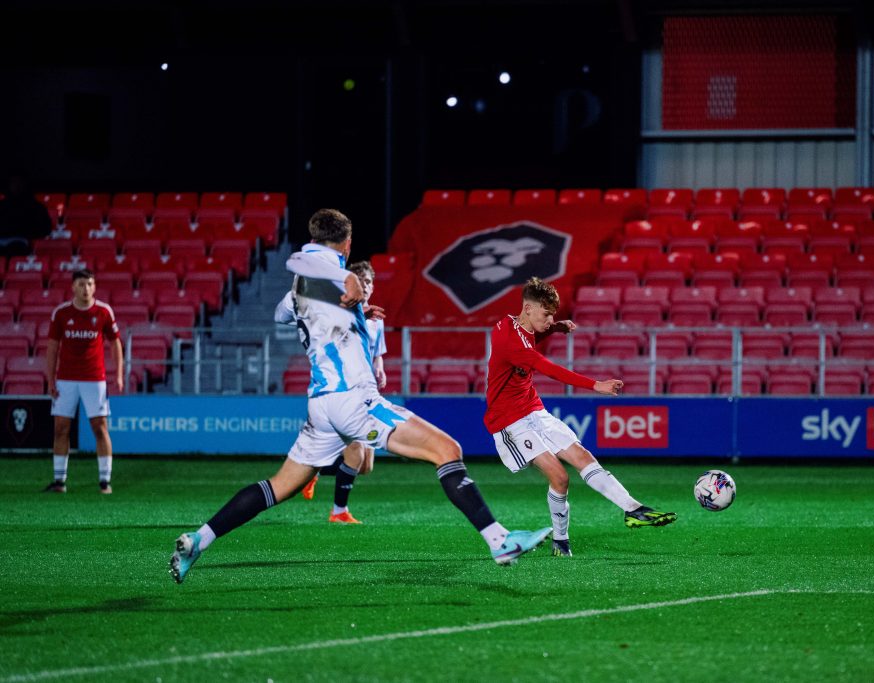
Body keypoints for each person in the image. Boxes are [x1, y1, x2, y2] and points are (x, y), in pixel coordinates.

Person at [169, 209, 550, 583]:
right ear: (347, 244)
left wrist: (347, 309)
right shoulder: (329, 271)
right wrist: (344, 278)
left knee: (281, 484)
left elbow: (282, 313)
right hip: (353, 398)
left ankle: (199, 540)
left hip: (321, 405)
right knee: (446, 450)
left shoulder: (306, 287)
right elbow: (296, 259)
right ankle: (499, 540)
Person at [485, 277, 676, 558]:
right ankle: (561, 542)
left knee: (582, 456)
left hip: (533, 409)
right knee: (560, 478)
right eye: (546, 314)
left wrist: (553, 329)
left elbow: (531, 338)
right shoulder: (507, 336)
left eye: (553, 315)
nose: (550, 319)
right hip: (509, 421)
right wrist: (594, 384)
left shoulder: (523, 327)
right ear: (528, 308)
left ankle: (633, 509)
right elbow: (546, 367)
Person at [299, 260, 385, 524]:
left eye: (369, 281)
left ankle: (313, 471)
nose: (366, 286)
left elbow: (376, 351)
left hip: (366, 391)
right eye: (361, 281)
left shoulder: (375, 321)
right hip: (344, 392)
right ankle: (338, 512)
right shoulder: (340, 314)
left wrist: (379, 369)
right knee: (357, 451)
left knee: (366, 466)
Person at [42, 269, 123, 494]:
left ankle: (104, 482)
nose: (85, 289)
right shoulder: (61, 313)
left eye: (89, 284)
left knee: (100, 427)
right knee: (61, 428)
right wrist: (51, 378)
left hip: (94, 379)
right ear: (73, 287)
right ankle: (59, 482)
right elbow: (52, 348)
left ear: (94, 287)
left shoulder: (104, 312)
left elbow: (115, 343)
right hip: (65, 380)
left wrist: (118, 374)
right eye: (81, 284)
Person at [0, 176, 52, 257]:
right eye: (14, 183)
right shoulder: (2, 206)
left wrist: (25, 233)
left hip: (21, 244)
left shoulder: (36, 207)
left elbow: (45, 229)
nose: (16, 186)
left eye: (19, 183)